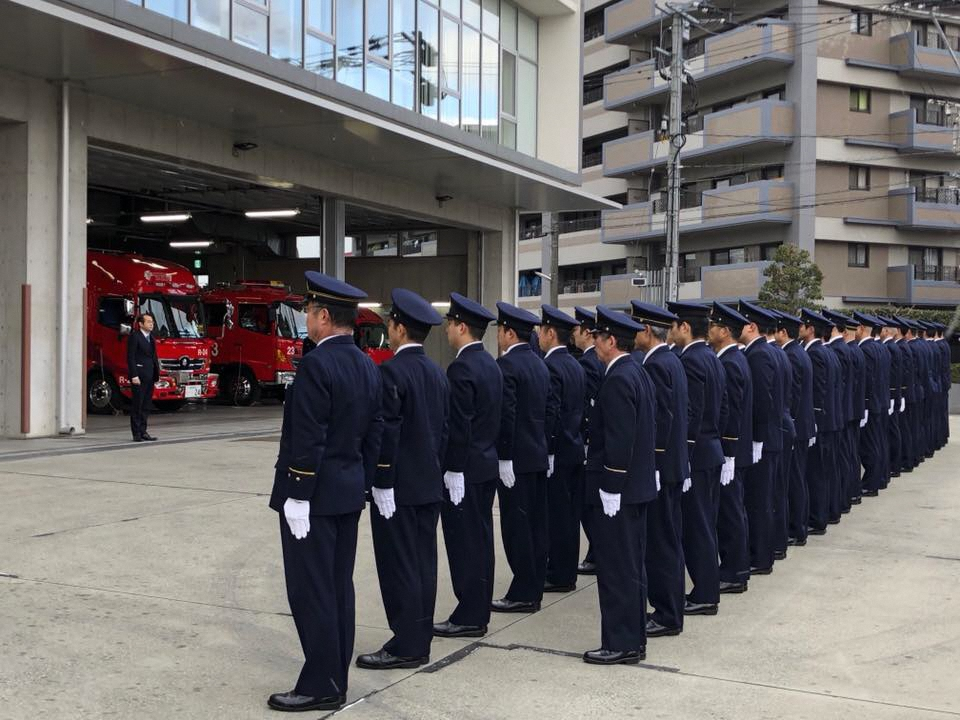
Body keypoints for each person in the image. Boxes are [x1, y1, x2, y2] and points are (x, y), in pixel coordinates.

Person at [268, 271, 382, 713]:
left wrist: (298, 491)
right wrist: (364, 480)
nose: (306, 321)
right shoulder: (366, 363)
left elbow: (309, 434)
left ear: (323, 316)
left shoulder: (317, 364)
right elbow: (375, 433)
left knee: (311, 589)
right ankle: (334, 677)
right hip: (347, 492)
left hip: (313, 498)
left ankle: (319, 683)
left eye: (309, 313)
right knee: (338, 587)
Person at [358, 289, 449, 670]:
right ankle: (419, 636)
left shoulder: (392, 371)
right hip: (428, 484)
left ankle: (406, 645)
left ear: (397, 328)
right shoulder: (436, 372)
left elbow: (386, 431)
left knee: (400, 567)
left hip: (399, 489)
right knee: (423, 565)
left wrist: (380, 480)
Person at [583, 306, 657, 665]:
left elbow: (620, 437)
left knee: (617, 570)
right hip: (635, 486)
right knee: (631, 567)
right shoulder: (636, 372)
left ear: (611, 340)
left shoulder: (618, 378)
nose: (594, 342)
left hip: (619, 491)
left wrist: (611, 483)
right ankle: (632, 639)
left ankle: (620, 643)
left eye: (598, 337)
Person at [434, 293, 502, 639]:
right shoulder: (490, 363)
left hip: (466, 469)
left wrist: (454, 468)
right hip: (485, 465)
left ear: (462, 327)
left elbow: (458, 426)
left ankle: (470, 614)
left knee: (465, 545)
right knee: (481, 541)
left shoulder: (461, 367)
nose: (447, 330)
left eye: (450, 324)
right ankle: (478, 607)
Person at [630, 301, 688, 636]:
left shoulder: (657, 365)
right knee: (669, 539)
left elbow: (661, 419)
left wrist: (652, 460)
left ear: (647, 331)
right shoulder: (670, 361)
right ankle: (670, 608)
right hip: (672, 466)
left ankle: (667, 613)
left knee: (662, 542)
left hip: (662, 468)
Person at [668, 301, 725, 616]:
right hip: (711, 449)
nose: (671, 332)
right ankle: (707, 588)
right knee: (705, 525)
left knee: (698, 527)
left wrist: (684, 457)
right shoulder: (712, 357)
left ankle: (704, 593)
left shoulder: (691, 360)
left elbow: (691, 413)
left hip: (698, 455)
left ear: (685, 328)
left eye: (673, 326)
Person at [493, 302, 551, 614]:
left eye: (500, 331)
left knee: (517, 528)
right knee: (537, 526)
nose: (499, 337)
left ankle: (524, 591)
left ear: (509, 332)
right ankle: (533, 585)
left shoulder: (508, 367)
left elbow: (507, 417)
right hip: (537, 455)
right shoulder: (540, 364)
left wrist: (503, 457)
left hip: (515, 459)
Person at [539, 305, 586, 593]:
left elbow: (552, 413)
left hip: (559, 451)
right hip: (575, 448)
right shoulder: (575, 364)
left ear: (550, 333)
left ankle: (558, 574)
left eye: (542, 331)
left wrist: (549, 449)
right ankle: (566, 571)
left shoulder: (551, 366)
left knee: (556, 516)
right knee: (569, 516)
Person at [708, 302, 753, 593]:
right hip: (732, 450)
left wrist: (728, 453)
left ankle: (734, 571)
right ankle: (736, 567)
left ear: (725, 331)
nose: (709, 330)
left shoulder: (730, 362)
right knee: (732, 510)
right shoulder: (734, 358)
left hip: (730, 451)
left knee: (730, 512)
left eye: (713, 326)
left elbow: (732, 413)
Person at [737, 300, 783, 576]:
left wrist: (756, 440)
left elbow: (762, 403)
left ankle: (760, 556)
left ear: (751, 326)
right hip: (770, 438)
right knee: (764, 499)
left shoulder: (759, 355)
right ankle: (765, 551)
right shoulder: (767, 351)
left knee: (758, 501)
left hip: (763, 441)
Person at [772, 311, 815, 548]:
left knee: (794, 480)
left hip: (795, 425)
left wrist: (790, 423)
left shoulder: (792, 355)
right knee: (798, 478)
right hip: (800, 424)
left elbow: (794, 397)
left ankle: (797, 527)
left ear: (783, 332)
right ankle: (798, 526)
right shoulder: (798, 352)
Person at [798, 308, 841, 535]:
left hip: (821, 422)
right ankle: (827, 512)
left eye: (802, 325)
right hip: (828, 419)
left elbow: (819, 389)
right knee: (824, 471)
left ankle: (818, 518)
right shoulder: (825, 351)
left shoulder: (815, 353)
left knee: (816, 474)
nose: (799, 329)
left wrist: (813, 418)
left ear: (811, 329)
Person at [824, 310, 866, 513]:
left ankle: (847, 494)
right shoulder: (849, 349)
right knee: (848, 454)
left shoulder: (839, 350)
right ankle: (852, 492)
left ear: (832, 328)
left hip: (842, 411)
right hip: (849, 409)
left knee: (843, 456)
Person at [761, 310, 794, 561]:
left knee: (764, 497)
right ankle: (777, 544)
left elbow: (765, 401)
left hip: (769, 434)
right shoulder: (781, 354)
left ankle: (766, 551)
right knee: (776, 492)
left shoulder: (763, 355)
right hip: (781, 428)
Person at [574, 306, 603, 575]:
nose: (574, 336)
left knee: (588, 505)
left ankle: (597, 552)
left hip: (589, 439)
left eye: (576, 330)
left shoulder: (587, 362)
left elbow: (589, 402)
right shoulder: (593, 360)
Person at [852, 312, 891, 498]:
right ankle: (880, 478)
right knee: (879, 442)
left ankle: (870, 483)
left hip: (872, 404)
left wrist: (865, 405)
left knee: (869, 446)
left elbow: (868, 381)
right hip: (880, 401)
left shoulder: (866, 350)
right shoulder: (879, 347)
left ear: (861, 328)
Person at [127, 312, 160, 442]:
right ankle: (136, 433)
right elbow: (131, 357)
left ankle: (143, 430)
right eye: (148, 322)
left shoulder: (151, 337)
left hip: (150, 374)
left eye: (152, 322)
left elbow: (153, 357)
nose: (151, 324)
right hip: (139, 375)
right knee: (137, 405)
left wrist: (156, 372)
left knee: (146, 405)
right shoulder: (135, 337)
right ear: (141, 324)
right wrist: (134, 375)